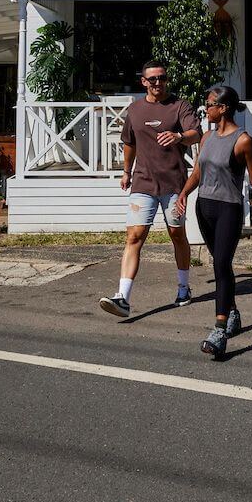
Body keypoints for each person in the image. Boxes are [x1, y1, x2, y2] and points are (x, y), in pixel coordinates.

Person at [175, 85, 252, 358]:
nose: (205, 109)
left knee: (221, 264)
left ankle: (219, 331)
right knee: (221, 265)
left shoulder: (243, 141)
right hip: (204, 207)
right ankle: (232, 312)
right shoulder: (206, 137)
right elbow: (197, 171)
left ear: (224, 108)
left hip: (228, 209)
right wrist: (183, 193)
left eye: (210, 104)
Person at [99, 60, 201, 319]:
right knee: (134, 237)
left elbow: (196, 133)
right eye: (152, 79)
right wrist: (126, 171)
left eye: (162, 78)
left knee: (177, 235)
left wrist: (179, 137)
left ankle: (183, 287)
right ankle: (122, 297)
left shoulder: (180, 106)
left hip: (173, 184)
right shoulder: (135, 110)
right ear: (143, 81)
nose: (158, 83)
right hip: (142, 182)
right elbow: (129, 143)